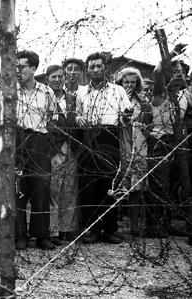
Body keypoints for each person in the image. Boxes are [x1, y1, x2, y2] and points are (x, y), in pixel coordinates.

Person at [76, 52, 132, 244]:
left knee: (109, 184)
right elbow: (76, 115)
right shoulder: (81, 92)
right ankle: (91, 229)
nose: (95, 70)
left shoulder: (118, 91)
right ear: (87, 70)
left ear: (105, 68)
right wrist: (79, 118)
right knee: (89, 186)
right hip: (89, 137)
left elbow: (127, 112)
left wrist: (126, 115)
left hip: (110, 136)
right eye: (91, 67)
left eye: (99, 66)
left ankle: (110, 229)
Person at [147, 44, 192, 244]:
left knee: (181, 184)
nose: (177, 76)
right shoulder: (161, 93)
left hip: (179, 143)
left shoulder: (185, 96)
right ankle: (156, 225)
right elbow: (158, 71)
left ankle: (170, 224)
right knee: (160, 185)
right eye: (173, 71)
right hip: (160, 141)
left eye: (181, 73)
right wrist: (172, 54)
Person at [15, 50, 56, 250]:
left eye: (22, 66)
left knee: (41, 189)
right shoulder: (10, 92)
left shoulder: (47, 92)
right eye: (15, 66)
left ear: (33, 68)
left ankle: (41, 235)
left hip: (40, 141)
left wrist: (49, 146)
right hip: (17, 141)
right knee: (18, 190)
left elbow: (55, 120)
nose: (18, 70)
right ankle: (20, 235)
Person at [115, 67, 152, 236]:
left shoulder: (143, 100)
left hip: (139, 144)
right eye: (126, 82)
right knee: (119, 183)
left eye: (133, 82)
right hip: (120, 143)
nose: (129, 85)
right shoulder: (114, 98)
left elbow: (150, 121)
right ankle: (114, 223)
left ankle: (135, 226)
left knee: (137, 186)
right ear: (120, 83)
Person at [45, 64, 79, 245]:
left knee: (69, 189)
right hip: (53, 149)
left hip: (71, 148)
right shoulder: (44, 98)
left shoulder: (73, 99)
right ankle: (53, 230)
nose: (57, 80)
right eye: (53, 77)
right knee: (54, 190)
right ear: (47, 80)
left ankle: (67, 228)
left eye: (60, 77)